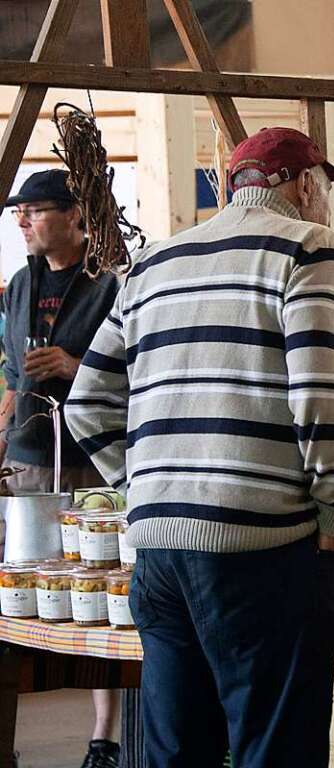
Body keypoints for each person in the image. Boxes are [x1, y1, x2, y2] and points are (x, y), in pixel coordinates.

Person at [66, 127, 334, 768]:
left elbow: (86, 402)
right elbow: (318, 393)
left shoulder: (153, 264)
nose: (327, 206)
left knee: (178, 749)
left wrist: (140, 483)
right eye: (325, 191)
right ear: (305, 185)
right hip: (263, 547)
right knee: (274, 746)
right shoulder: (309, 249)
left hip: (160, 552)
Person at [0, 168, 122, 768]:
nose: (22, 220)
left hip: (92, 457)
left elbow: (138, 367)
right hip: (27, 459)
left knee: (99, 591)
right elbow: (9, 368)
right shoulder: (19, 283)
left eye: (35, 209)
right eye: (17, 211)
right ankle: (9, 736)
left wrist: (76, 366)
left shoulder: (110, 284)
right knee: (20, 593)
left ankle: (104, 737)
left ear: (75, 215)